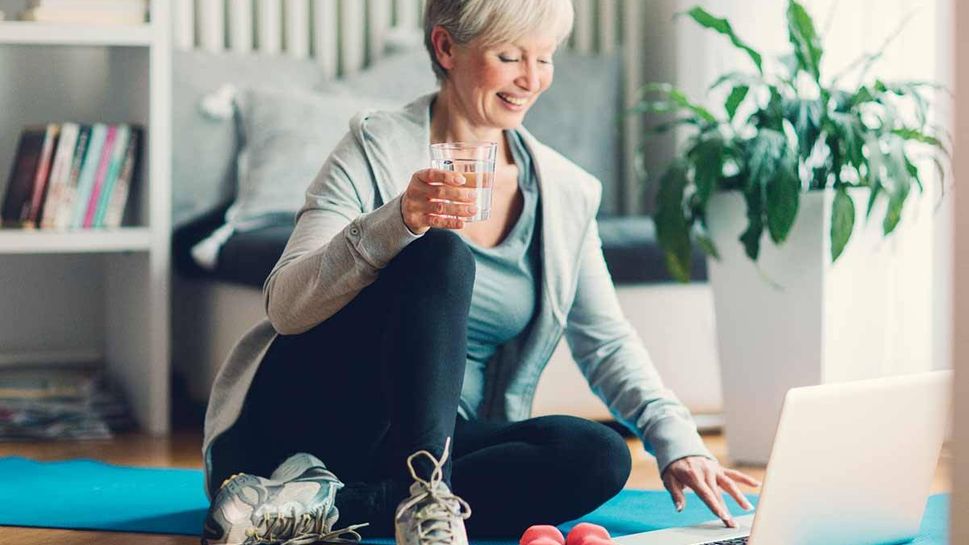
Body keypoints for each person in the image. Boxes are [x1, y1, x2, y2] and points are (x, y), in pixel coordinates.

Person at [200, 1, 760, 544]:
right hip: (302, 427)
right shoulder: (374, 146)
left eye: (545, 58)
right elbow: (287, 306)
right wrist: (397, 220)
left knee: (599, 454)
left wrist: (678, 441)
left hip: (419, 445)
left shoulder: (565, 192)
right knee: (440, 252)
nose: (532, 79)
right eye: (511, 56)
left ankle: (340, 508)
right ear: (446, 47)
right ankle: (417, 495)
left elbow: (606, 342)